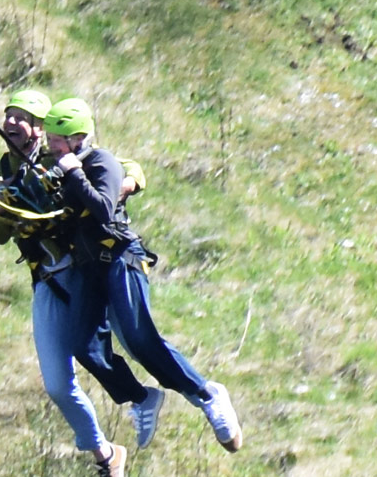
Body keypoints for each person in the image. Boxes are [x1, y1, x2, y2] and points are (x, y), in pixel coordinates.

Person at [0, 89, 165, 477]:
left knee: (130, 337)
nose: (11, 123)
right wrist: (3, 203)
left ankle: (175, 393)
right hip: (47, 278)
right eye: (8, 115)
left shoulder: (65, 158)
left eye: (22, 117)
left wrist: (123, 187)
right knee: (57, 384)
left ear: (41, 128)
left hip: (86, 268)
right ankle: (104, 453)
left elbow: (125, 167)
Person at [41, 97, 243, 454]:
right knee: (83, 347)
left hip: (119, 256)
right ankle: (140, 396)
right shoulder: (56, 167)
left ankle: (206, 394)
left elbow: (104, 210)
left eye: (56, 138)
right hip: (88, 267)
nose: (50, 144)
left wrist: (74, 172)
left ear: (77, 138)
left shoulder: (99, 162)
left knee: (139, 338)